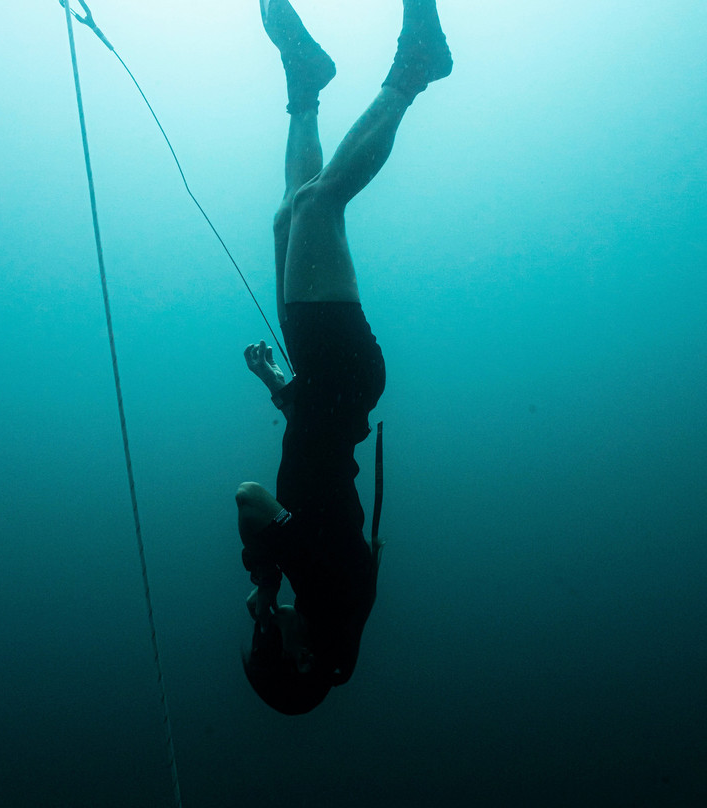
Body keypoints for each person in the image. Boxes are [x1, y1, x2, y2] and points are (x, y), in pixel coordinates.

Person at [236, 0, 453, 715]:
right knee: (321, 205)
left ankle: (305, 84)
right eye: (270, 638)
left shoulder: (335, 602)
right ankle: (414, 68)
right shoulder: (325, 592)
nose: (266, 625)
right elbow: (252, 500)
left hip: (327, 388)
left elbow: (317, 459)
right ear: (300, 656)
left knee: (289, 211)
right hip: (340, 372)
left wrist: (277, 385)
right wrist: (265, 580)